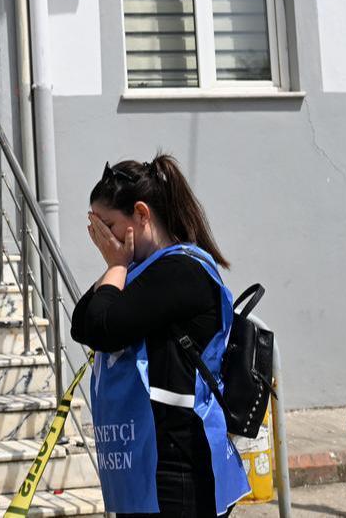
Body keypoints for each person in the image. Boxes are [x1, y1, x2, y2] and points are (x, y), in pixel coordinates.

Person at [71, 155, 249, 517]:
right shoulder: (145, 271)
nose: (104, 240)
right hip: (154, 462)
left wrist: (117, 266)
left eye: (108, 226)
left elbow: (103, 328)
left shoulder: (181, 271)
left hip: (180, 464)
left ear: (140, 214)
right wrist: (118, 267)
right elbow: (82, 323)